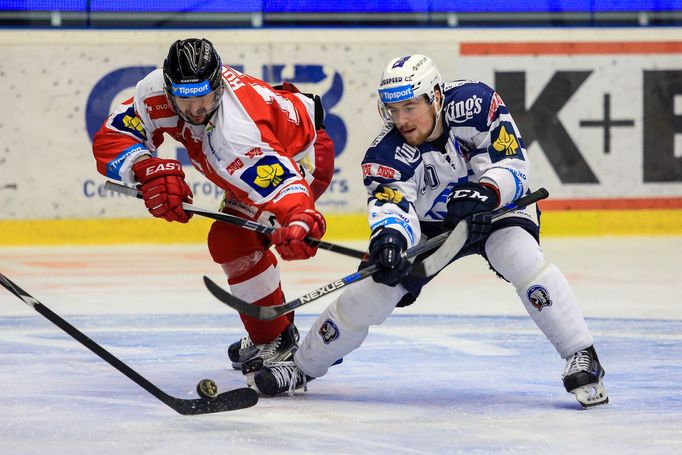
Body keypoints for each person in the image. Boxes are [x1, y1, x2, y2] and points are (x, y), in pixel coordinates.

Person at [251, 54, 608, 408]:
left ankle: (581, 354)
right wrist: (390, 237)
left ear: (435, 95)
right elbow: (393, 207)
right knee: (370, 295)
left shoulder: (476, 103)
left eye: (410, 107)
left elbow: (512, 163)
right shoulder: (386, 153)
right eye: (392, 110)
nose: (401, 119)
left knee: (519, 256)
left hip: (494, 210)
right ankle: (301, 367)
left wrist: (487, 190)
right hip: (431, 229)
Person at [92, 38, 334, 380]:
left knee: (233, 239)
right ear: (168, 87)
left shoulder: (237, 133)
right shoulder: (155, 92)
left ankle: (275, 337)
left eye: (204, 96)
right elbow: (114, 136)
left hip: (300, 154)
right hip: (267, 136)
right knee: (231, 239)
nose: (196, 109)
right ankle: (273, 327)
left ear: (218, 84)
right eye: (185, 98)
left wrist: (299, 218)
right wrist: (146, 168)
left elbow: (284, 186)